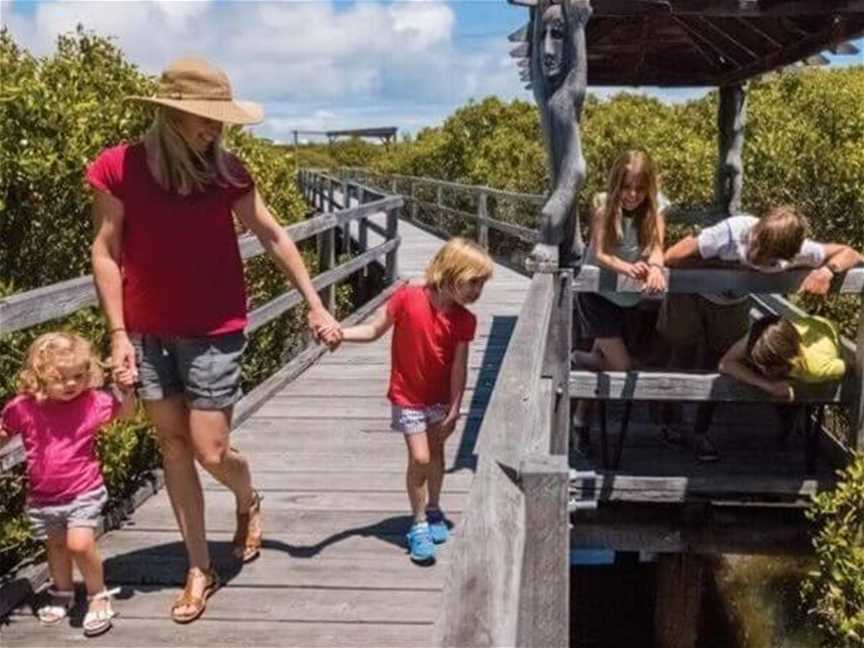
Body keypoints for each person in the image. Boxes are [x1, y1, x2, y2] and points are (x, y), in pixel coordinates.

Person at [87, 57, 341, 623]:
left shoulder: (227, 172)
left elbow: (273, 235)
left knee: (211, 450)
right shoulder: (117, 168)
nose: (215, 130)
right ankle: (198, 568)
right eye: (205, 119)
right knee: (174, 449)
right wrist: (118, 334)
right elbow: (106, 251)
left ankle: (247, 499)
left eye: (219, 120)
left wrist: (315, 302)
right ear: (172, 116)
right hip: (147, 331)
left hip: (214, 329)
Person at [659, 205, 861, 461]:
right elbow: (672, 256)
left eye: (763, 256)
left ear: (783, 256)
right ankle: (669, 422)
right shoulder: (730, 233)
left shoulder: (800, 251)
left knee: (718, 361)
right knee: (681, 351)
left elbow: (849, 252)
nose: (753, 255)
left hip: (731, 304)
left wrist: (827, 270)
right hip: (690, 295)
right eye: (754, 245)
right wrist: (717, 266)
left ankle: (699, 432)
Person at [340, 238, 492, 564]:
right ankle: (419, 522)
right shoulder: (408, 297)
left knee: (437, 456)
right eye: (473, 282)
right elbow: (374, 330)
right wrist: (341, 333)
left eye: (482, 284)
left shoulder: (465, 320)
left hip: (438, 400)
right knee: (420, 458)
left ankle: (434, 507)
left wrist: (454, 408)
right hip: (408, 396)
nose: (478, 290)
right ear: (450, 273)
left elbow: (459, 368)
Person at [0, 333, 135, 637]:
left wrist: (126, 391)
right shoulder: (24, 406)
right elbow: (5, 431)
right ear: (39, 375)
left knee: (79, 544)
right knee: (57, 546)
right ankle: (63, 591)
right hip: (43, 496)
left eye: (79, 376)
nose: (72, 384)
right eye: (61, 378)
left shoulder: (92, 402)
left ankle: (97, 594)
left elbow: (125, 415)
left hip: (83, 490)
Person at [571, 149, 668, 457]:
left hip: (628, 299)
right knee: (623, 365)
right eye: (626, 187)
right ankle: (575, 360)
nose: (632, 195)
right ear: (616, 185)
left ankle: (580, 418)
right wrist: (629, 269)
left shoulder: (657, 207)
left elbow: (657, 247)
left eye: (640, 188)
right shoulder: (603, 206)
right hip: (597, 295)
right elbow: (600, 254)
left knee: (607, 365)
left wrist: (654, 267)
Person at [719, 314, 846, 399]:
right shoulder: (769, 335)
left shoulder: (817, 368)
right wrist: (766, 385)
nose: (760, 370)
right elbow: (725, 364)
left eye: (763, 367)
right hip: (803, 330)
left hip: (822, 345)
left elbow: (852, 368)